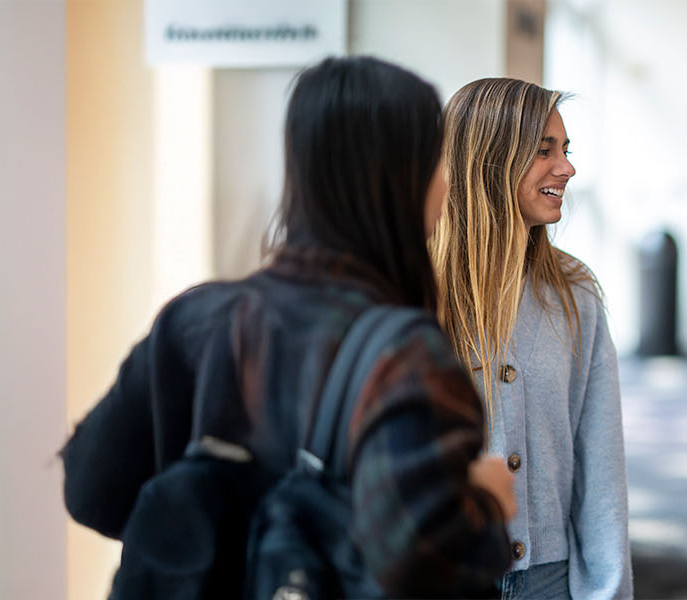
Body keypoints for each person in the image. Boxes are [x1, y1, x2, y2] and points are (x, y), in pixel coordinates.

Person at [61, 56, 517, 597]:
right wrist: (484, 499)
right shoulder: (406, 355)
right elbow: (418, 563)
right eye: (437, 162)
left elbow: (91, 490)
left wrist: (217, 539)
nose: (445, 188)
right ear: (404, 178)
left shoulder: (195, 320)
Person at [431, 77, 632, 599]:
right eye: (544, 151)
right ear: (490, 159)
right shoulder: (415, 291)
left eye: (565, 150)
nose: (566, 168)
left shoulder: (575, 292)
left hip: (549, 580)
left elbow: (601, 467)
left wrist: (607, 592)